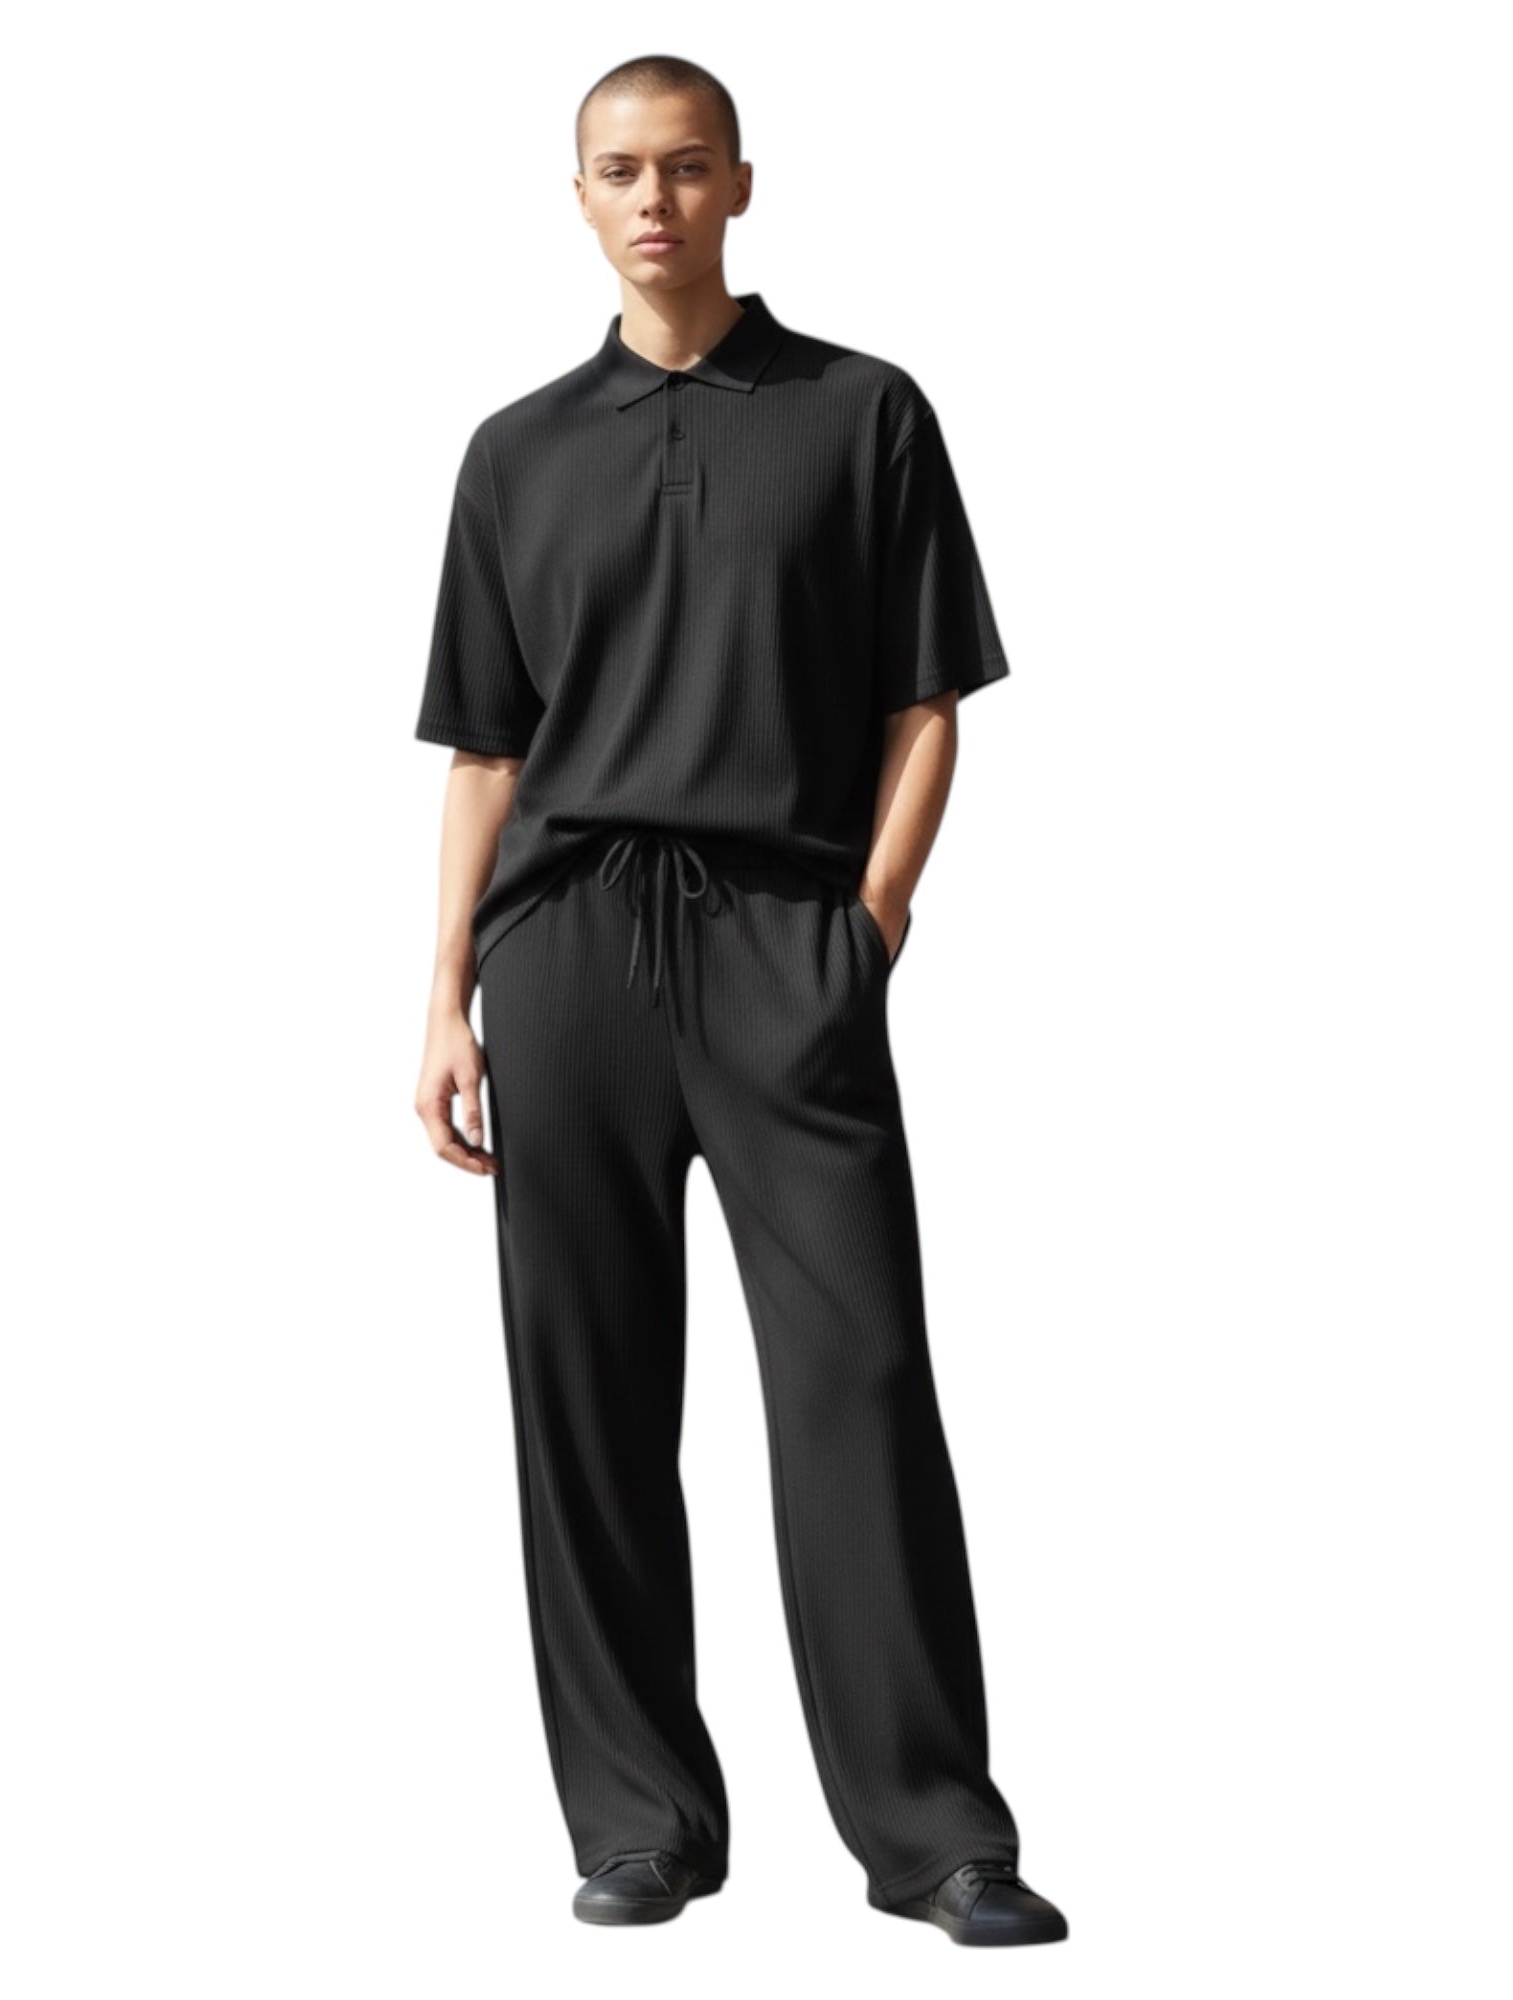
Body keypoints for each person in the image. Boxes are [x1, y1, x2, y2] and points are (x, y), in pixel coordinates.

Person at [413, 54, 1066, 1949]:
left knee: (858, 1386)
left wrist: (868, 925)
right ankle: (639, 1822)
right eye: (620, 171)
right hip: (564, 960)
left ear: (741, 186)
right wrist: (445, 996)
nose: (655, 202)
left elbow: (926, 702)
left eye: (686, 168)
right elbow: (483, 750)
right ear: (578, 195)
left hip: (786, 943)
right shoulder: (516, 452)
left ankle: (938, 1837)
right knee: (588, 1399)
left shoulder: (863, 413)